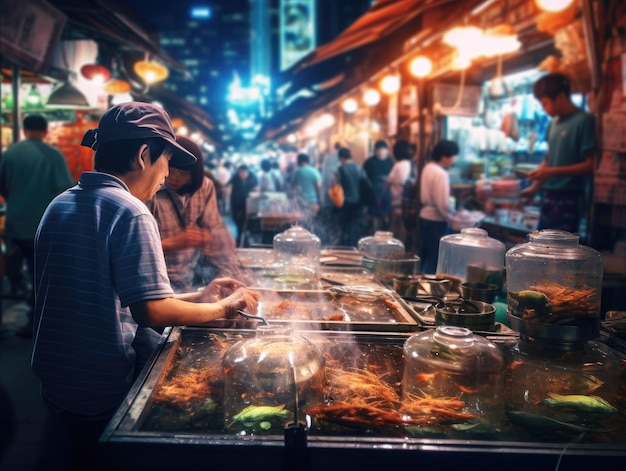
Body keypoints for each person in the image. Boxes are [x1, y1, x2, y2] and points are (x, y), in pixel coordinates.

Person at [31, 102, 258, 470]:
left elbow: (122, 296)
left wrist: (199, 296)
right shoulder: (131, 210)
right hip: (99, 379)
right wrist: (224, 307)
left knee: (74, 450)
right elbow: (151, 312)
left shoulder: (59, 203)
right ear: (143, 155)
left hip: (57, 374)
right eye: (166, 161)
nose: (167, 175)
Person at [0, 114, 74, 338]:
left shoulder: (10, 154)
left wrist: (15, 200)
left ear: (24, 129)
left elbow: (2, 186)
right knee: (40, 275)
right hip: (43, 226)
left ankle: (21, 309)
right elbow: (64, 190)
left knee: (14, 270)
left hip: (15, 223)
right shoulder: (53, 155)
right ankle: (37, 323)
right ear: (44, 130)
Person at [146, 136, 237, 292]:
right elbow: (134, 251)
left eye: (182, 173)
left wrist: (211, 238)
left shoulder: (205, 187)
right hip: (154, 281)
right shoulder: (151, 191)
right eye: (170, 170)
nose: (173, 178)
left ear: (195, 174)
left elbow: (213, 227)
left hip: (189, 278)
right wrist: (171, 243)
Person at [519, 73, 597, 233]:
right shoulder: (552, 124)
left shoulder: (584, 120)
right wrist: (534, 187)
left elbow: (591, 164)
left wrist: (552, 172)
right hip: (548, 193)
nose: (543, 108)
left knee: (561, 249)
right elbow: (549, 158)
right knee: (542, 245)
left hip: (570, 195)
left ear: (560, 97)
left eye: (545, 103)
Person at [418, 139, 459, 274]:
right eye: (453, 156)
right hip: (436, 219)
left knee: (423, 254)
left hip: (424, 216)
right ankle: (430, 289)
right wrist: (451, 218)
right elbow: (442, 203)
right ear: (444, 157)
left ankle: (416, 282)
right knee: (435, 257)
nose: (454, 159)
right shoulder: (441, 174)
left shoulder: (428, 167)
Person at [335, 147, 366, 247]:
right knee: (355, 224)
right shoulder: (359, 168)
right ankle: (354, 245)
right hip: (359, 202)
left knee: (344, 226)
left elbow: (335, 184)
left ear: (341, 158)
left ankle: (346, 245)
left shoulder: (341, 169)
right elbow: (364, 181)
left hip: (345, 202)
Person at [386, 140, 413, 244]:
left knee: (397, 231)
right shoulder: (406, 164)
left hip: (398, 202)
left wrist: (389, 181)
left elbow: (401, 181)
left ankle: (396, 252)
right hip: (399, 202)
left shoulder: (401, 164)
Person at [363, 140, 393, 231]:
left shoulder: (390, 162)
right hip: (372, 192)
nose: (381, 152)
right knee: (372, 215)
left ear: (387, 151)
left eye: (383, 150)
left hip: (387, 192)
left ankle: (385, 229)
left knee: (386, 215)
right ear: (375, 151)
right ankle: (370, 229)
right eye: (378, 150)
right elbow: (364, 178)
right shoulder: (369, 162)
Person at [291, 152, 322, 228]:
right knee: (312, 223)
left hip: (301, 202)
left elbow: (293, 187)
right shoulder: (314, 171)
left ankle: (302, 239)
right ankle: (311, 237)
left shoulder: (297, 172)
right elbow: (318, 186)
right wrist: (319, 201)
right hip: (313, 202)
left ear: (300, 161)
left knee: (302, 224)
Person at [230, 163, 258, 245]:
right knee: (239, 225)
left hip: (251, 206)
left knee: (249, 226)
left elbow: (256, 191)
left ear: (247, 172)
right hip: (237, 206)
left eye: (244, 173)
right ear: (238, 172)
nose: (243, 175)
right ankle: (240, 241)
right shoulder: (235, 179)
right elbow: (232, 194)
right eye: (241, 173)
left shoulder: (253, 179)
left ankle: (246, 240)